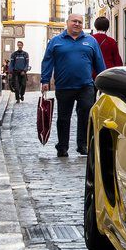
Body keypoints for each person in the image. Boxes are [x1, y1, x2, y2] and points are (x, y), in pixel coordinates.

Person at [40, 14, 105, 157]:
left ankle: (83, 145)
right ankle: (62, 147)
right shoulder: (56, 42)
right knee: (63, 118)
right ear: (67, 23)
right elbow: (47, 61)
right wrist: (45, 80)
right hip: (64, 87)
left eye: (80, 22)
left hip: (86, 86)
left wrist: (105, 81)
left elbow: (99, 62)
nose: (77, 24)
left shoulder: (91, 41)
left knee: (86, 115)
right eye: (74, 21)